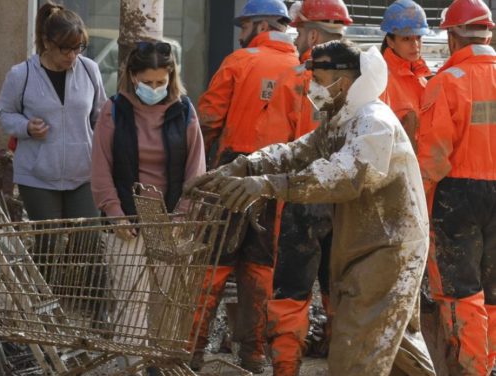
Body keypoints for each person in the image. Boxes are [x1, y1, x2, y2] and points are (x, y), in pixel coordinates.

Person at [187, 40, 436, 375]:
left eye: (318, 78)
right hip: (370, 246)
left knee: (356, 351)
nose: (313, 88)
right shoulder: (342, 121)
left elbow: (344, 177)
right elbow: (297, 151)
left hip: (388, 250)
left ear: (344, 82)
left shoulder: (373, 121)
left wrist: (268, 186)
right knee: (395, 344)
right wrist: (244, 166)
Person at [191, 0, 299, 372]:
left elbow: (208, 117)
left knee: (213, 263)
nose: (241, 35)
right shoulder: (304, 68)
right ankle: (253, 353)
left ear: (261, 25)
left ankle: (192, 350)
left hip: (232, 172)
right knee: (260, 266)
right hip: (278, 180)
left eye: (245, 26)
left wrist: (201, 168)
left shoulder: (239, 61)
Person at [90, 40, 205, 373]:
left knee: (166, 301)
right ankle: (135, 368)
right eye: (148, 82)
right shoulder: (114, 110)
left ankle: (158, 365)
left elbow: (196, 169)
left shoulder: (184, 110)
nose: (155, 88)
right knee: (131, 301)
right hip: (127, 220)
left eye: (161, 81)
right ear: (132, 76)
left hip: (170, 221)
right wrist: (114, 214)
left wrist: (182, 215)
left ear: (171, 76)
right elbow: (101, 168)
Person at [255, 0, 351, 373]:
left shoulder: (296, 77)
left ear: (312, 33)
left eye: (297, 32)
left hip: (304, 198)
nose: (294, 39)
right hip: (349, 197)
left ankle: (286, 367)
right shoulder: (368, 79)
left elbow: (276, 148)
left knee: (292, 290)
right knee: (341, 290)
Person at [417, 0, 496, 373]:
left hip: (457, 194)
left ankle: (472, 368)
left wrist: (416, 201)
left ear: (452, 38)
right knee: (493, 291)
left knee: (459, 290)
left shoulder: (445, 83)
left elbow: (433, 159)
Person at [0, 3, 105, 221]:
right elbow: (5, 113)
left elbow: (100, 117)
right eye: (66, 48)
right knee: (49, 244)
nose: (72, 55)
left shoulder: (90, 70)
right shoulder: (21, 74)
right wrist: (26, 127)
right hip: (37, 177)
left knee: (88, 242)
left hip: (83, 174)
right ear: (47, 42)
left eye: (78, 48)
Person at [379, 0, 431, 151]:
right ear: (391, 42)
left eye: (418, 38)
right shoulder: (382, 81)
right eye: (406, 38)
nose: (415, 45)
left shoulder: (422, 80)